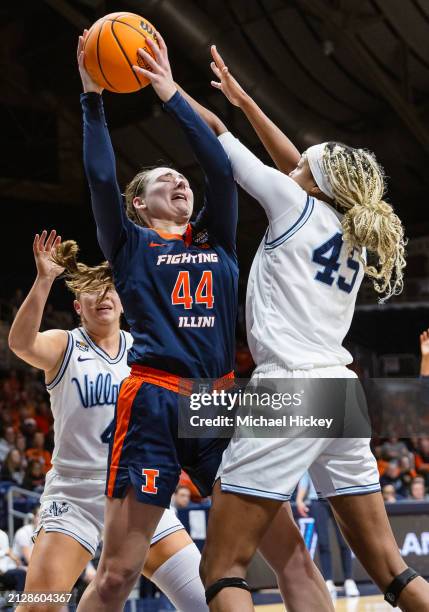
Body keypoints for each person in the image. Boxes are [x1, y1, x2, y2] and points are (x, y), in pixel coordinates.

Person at [75, 28, 333, 612]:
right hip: (154, 401)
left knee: (291, 554)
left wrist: (169, 92)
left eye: (180, 176)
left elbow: (219, 167)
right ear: (138, 205)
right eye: (163, 180)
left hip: (218, 402)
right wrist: (92, 96)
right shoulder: (129, 244)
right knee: (116, 575)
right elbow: (98, 178)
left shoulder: (217, 237)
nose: (180, 180)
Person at [182, 45, 429, 612]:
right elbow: (299, 161)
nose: (288, 166)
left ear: (310, 182)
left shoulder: (292, 206)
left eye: (297, 168)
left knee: (222, 568)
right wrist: (246, 99)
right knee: (393, 571)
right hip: (341, 393)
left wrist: (168, 86)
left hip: (289, 389)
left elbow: (214, 129)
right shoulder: (349, 227)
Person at [8, 232, 208, 612]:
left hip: (136, 492)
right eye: (92, 292)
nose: (103, 296)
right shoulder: (66, 345)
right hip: (75, 494)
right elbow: (21, 344)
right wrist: (44, 279)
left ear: (122, 301)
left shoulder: (146, 350)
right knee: (39, 605)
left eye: (110, 290)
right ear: (78, 307)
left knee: (203, 599)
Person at [296, 473, 359, 599]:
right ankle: (328, 581)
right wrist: (299, 499)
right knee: (323, 542)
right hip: (317, 500)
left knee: (344, 540)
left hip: (338, 496)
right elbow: (305, 477)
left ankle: (349, 580)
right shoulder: (310, 454)